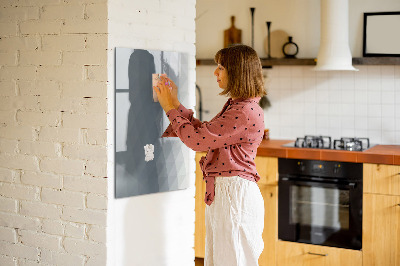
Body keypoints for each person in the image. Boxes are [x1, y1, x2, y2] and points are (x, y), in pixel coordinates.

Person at [153, 44, 266, 266]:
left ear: (237, 71)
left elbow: (197, 141)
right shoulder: (239, 106)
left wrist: (169, 108)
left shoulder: (243, 111)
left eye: (221, 67)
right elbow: (205, 134)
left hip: (234, 195)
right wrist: (175, 103)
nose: (215, 72)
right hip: (228, 194)